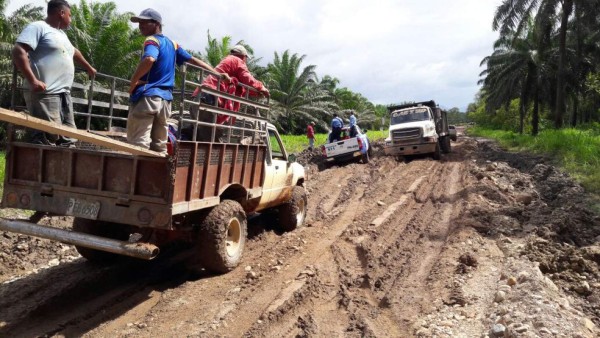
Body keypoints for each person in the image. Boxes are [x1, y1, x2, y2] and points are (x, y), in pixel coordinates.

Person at [127, 8, 229, 154]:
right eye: (139, 23)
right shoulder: (172, 44)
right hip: (165, 102)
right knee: (159, 145)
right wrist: (216, 74)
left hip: (148, 97)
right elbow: (192, 60)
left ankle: (134, 175)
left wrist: (133, 82)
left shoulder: (152, 40)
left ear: (156, 23)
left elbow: (149, 59)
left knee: (138, 143)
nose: (140, 26)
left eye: (144, 22)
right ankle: (157, 175)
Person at [12, 0, 97, 146]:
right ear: (61, 13)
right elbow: (18, 50)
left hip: (64, 94)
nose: (70, 20)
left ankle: (64, 167)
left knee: (69, 137)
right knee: (47, 137)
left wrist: (88, 67)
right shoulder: (38, 27)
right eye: (70, 15)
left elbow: (74, 51)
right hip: (46, 93)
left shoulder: (61, 34)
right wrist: (33, 81)